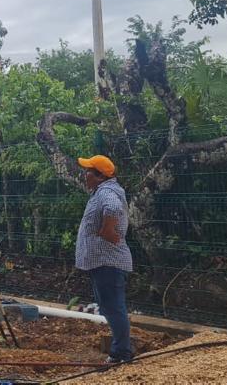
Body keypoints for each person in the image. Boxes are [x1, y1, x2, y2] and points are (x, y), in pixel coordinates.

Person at [75, 155, 134, 363]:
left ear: (99, 176)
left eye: (88, 171)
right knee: (109, 306)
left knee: (113, 306)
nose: (85, 174)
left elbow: (113, 208)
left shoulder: (107, 192)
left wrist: (108, 230)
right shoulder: (102, 191)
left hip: (108, 261)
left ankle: (121, 354)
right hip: (102, 261)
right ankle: (121, 350)